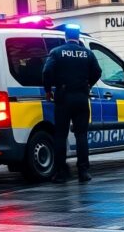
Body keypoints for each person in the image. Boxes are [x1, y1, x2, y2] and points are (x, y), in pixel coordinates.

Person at [42, 25, 102, 184]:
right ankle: (83, 172)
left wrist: (48, 90)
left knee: (60, 135)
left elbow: (47, 71)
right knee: (81, 135)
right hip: (82, 97)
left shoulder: (57, 52)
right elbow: (98, 71)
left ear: (66, 36)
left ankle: (61, 172)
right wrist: (88, 84)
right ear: (78, 36)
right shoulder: (87, 53)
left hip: (63, 98)